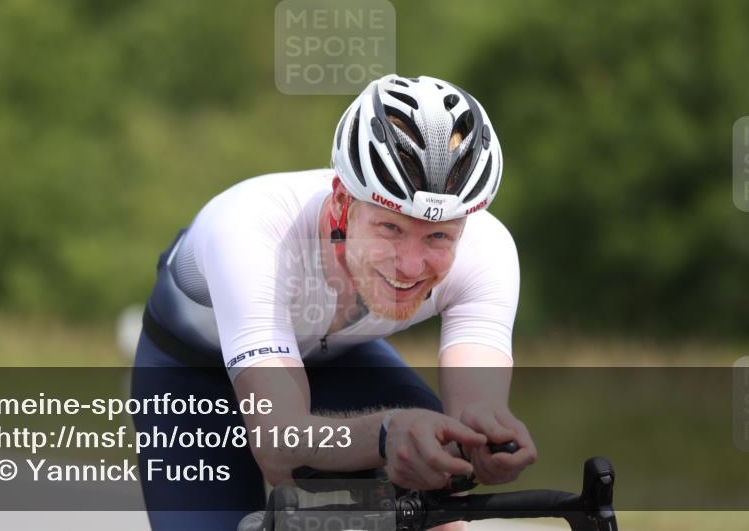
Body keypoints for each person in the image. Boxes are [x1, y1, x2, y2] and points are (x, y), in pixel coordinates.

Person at [131, 74, 536, 530]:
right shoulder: (252, 230)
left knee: (435, 489)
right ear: (343, 203)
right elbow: (279, 448)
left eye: (439, 235)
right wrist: (386, 434)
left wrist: (483, 444)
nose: (410, 264)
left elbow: (470, 417)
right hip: (192, 373)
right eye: (391, 228)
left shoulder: (488, 250)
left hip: (338, 359)